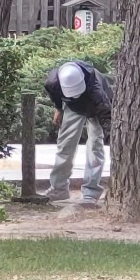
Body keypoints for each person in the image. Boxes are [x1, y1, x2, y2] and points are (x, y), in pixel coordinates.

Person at [43, 60, 112, 206]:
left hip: (95, 109)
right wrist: (58, 108)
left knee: (95, 146)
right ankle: (59, 188)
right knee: (65, 144)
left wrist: (111, 137)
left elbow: (106, 116)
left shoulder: (97, 91)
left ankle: (91, 192)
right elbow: (54, 94)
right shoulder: (53, 82)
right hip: (72, 108)